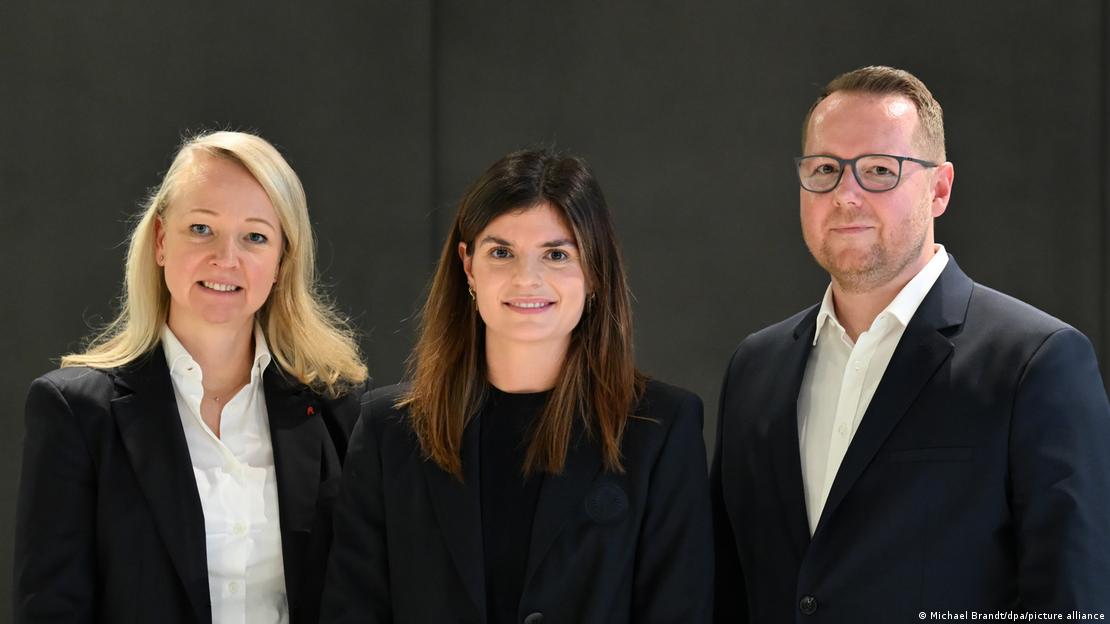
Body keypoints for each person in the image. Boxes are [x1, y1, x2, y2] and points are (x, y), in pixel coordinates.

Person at [712, 66, 1110, 621]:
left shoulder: (1036, 363)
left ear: (939, 188)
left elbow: (1076, 605)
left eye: (879, 170)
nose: (845, 195)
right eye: (825, 169)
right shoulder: (756, 367)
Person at [321, 148, 713, 623]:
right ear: (468, 266)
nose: (527, 279)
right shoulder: (388, 430)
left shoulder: (660, 429)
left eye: (556, 254)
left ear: (594, 271)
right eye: (502, 253)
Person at [14, 131, 369, 624]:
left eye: (255, 236)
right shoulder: (76, 413)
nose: (226, 258)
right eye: (201, 228)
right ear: (161, 241)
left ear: (281, 262)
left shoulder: (338, 410)